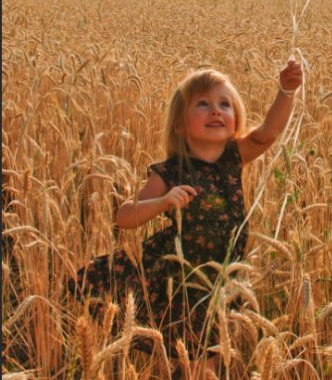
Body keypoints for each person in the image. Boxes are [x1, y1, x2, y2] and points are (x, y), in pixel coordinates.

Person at [67, 58, 303, 379]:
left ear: (235, 119)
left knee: (210, 355)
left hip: (222, 278)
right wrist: (162, 202)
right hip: (182, 282)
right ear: (179, 124)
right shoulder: (171, 172)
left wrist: (286, 91)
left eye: (224, 104)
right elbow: (124, 217)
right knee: (198, 360)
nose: (215, 111)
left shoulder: (234, 157)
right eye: (203, 104)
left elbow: (267, 133)